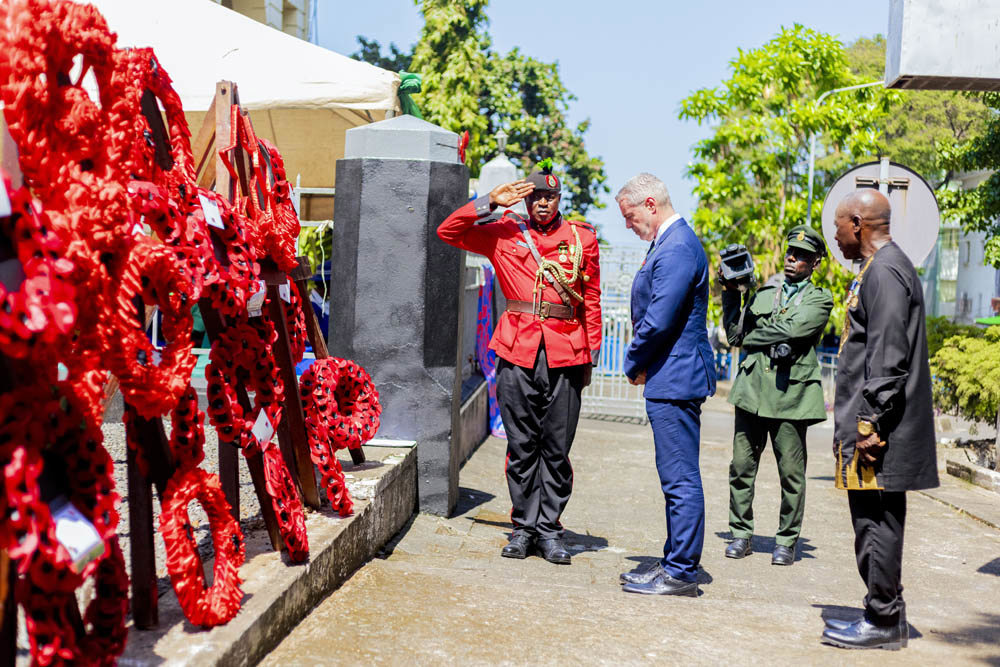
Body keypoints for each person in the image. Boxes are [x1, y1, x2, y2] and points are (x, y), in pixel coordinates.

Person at [436, 162, 602, 565]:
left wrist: (591, 354)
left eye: (549, 197)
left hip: (565, 352)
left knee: (557, 447)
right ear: (525, 200)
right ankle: (524, 528)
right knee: (522, 444)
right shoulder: (504, 233)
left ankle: (550, 530)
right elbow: (448, 231)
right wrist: (488, 201)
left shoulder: (581, 238)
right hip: (517, 349)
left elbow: (592, 298)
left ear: (560, 200)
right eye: (535, 197)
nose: (542, 203)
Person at [821, 189, 938, 650]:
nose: (835, 236)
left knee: (877, 523)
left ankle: (884, 620)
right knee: (872, 521)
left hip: (880, 431)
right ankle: (883, 610)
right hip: (872, 424)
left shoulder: (886, 271)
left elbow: (888, 358)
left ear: (857, 223)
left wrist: (869, 425)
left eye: (837, 226)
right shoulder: (877, 268)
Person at [615, 173, 716, 597]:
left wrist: (633, 363)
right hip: (670, 374)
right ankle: (674, 560)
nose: (627, 225)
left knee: (680, 478)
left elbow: (659, 319)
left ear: (651, 205)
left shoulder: (676, 247)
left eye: (630, 215)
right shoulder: (669, 244)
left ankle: (681, 573)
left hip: (674, 377)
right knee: (675, 476)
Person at [719, 225, 833, 566]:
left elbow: (795, 329)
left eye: (800, 256)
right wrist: (730, 292)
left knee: (792, 475)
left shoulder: (819, 298)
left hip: (790, 397)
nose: (791, 259)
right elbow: (735, 335)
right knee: (741, 467)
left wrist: (757, 338)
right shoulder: (764, 294)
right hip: (752, 392)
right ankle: (741, 534)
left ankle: (786, 540)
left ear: (814, 264)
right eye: (789, 253)